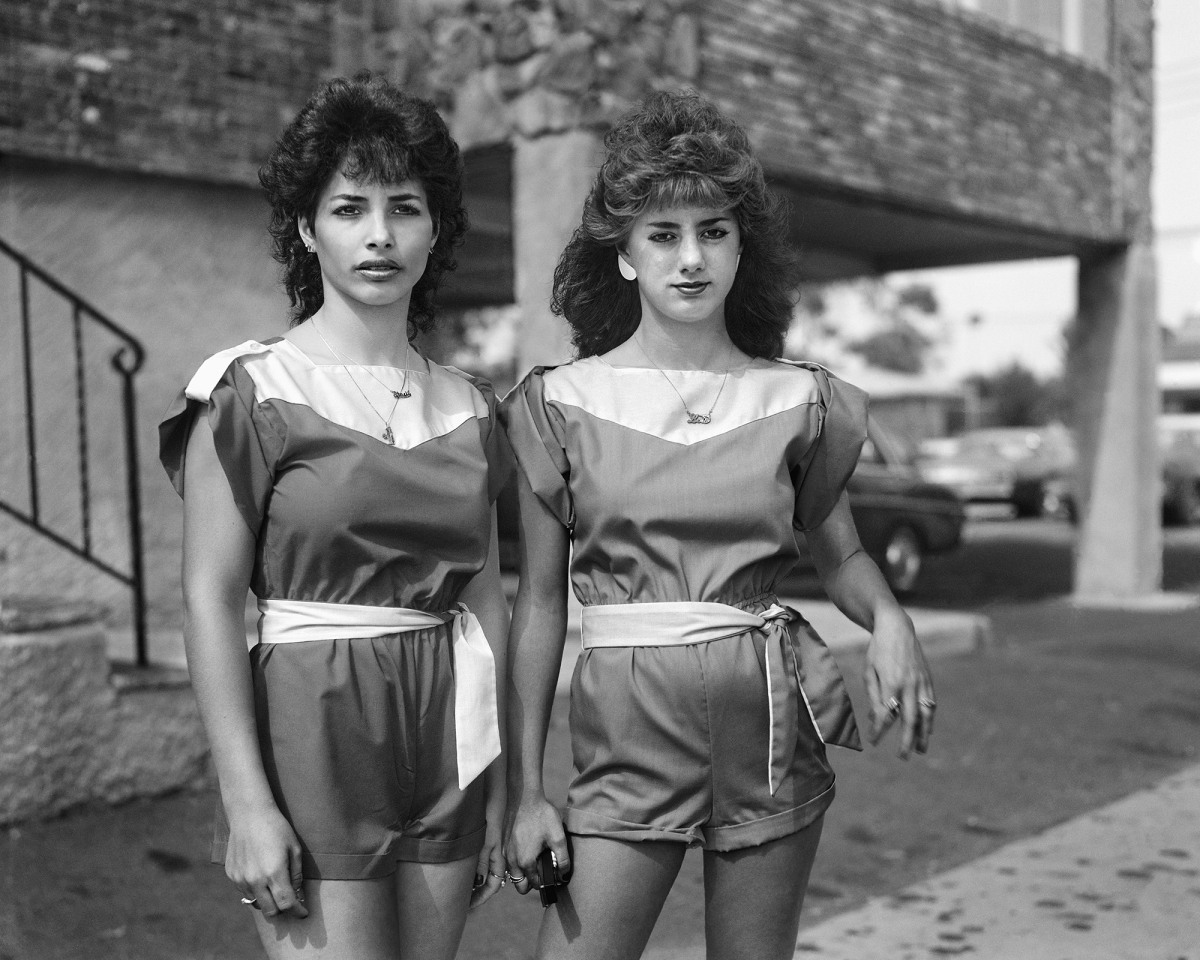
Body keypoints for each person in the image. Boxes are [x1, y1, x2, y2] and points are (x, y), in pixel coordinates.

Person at [500, 91, 936, 960]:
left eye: (714, 231)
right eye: (663, 234)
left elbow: (840, 549)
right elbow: (541, 603)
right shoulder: (557, 403)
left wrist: (890, 618)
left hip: (771, 728)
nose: (691, 258)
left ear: (745, 247)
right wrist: (525, 790)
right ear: (622, 255)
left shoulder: (799, 397)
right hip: (628, 735)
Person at [159, 73, 510, 960]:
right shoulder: (248, 389)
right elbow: (208, 597)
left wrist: (502, 776)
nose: (381, 235)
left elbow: (490, 599)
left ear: (437, 230)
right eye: (351, 208)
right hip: (312, 724)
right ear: (308, 230)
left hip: (448, 729)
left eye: (406, 208)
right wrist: (246, 801)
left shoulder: (473, 405)